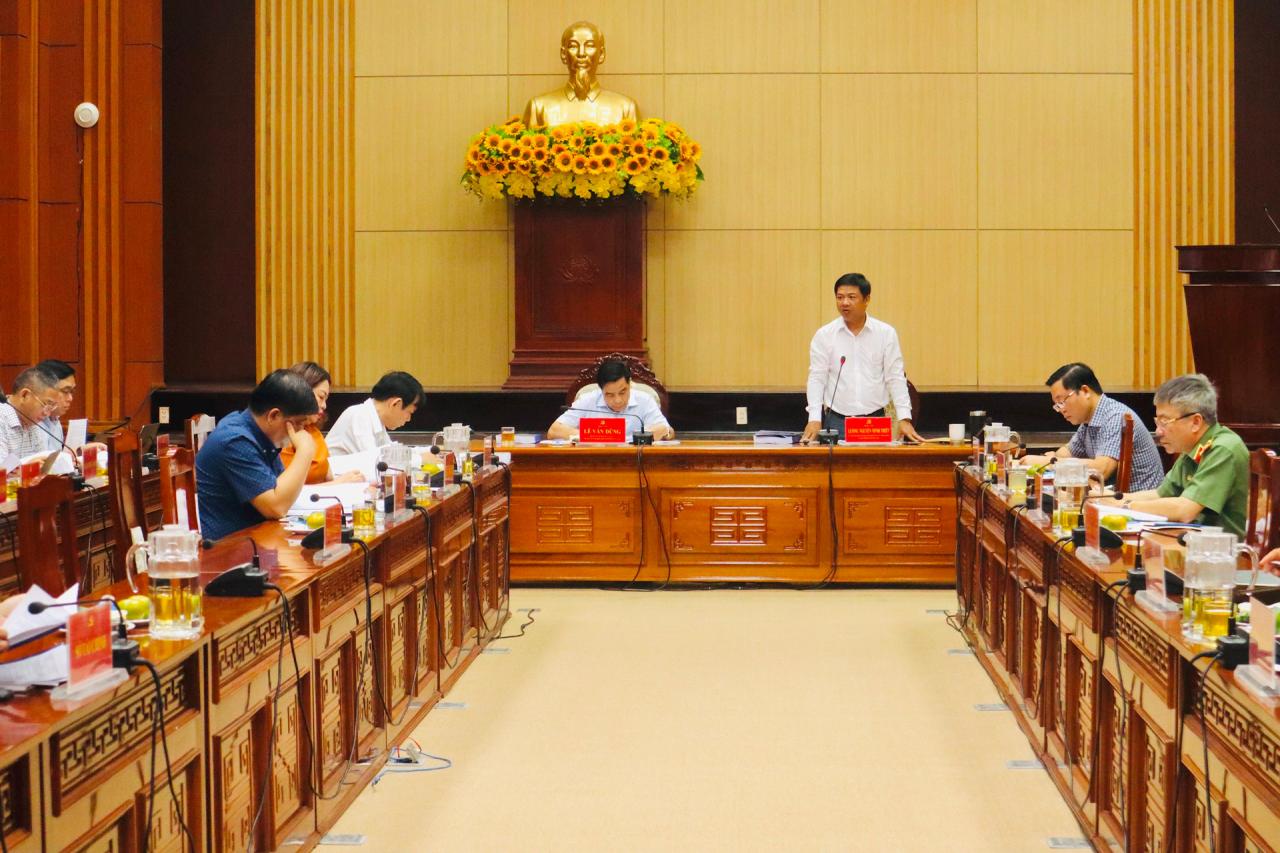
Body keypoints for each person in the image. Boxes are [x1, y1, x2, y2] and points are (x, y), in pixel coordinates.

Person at [1101, 374, 1249, 537]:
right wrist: (1109, 499)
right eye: (1157, 422)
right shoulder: (1191, 448)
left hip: (1221, 553)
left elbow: (1185, 510)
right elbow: (1159, 494)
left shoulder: (1223, 449)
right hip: (1191, 542)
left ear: (1195, 422)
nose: (1158, 431)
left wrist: (1124, 506)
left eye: (1165, 422)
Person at [195, 370, 319, 541]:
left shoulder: (258, 433)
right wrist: (305, 452)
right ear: (274, 415)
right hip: (228, 552)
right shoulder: (235, 441)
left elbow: (281, 490)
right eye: (298, 424)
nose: (299, 433)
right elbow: (277, 507)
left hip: (257, 541)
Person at [802, 273, 921, 444]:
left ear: (866, 299)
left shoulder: (885, 334)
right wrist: (814, 418)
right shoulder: (824, 335)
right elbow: (816, 378)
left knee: (874, 469)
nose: (844, 302)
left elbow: (895, 377)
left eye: (851, 297)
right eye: (840, 297)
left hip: (875, 422)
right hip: (837, 421)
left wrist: (904, 418)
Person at [1020, 363, 1164, 490]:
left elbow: (1102, 469)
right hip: (1114, 502)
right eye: (1057, 405)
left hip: (1138, 508)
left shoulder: (1115, 416)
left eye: (1062, 401)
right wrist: (1051, 458)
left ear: (1085, 391)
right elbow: (1067, 452)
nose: (1061, 409)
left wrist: (1050, 463)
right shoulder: (1089, 421)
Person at [522, 21, 638, 128]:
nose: (581, 53)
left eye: (590, 45)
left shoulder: (626, 108)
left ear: (601, 54)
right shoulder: (539, 107)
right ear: (563, 54)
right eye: (573, 46)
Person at [279, 361, 364, 484]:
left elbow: (327, 474)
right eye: (320, 397)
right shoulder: (280, 434)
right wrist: (337, 484)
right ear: (301, 392)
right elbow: (285, 490)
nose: (324, 405)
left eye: (326, 399)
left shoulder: (313, 431)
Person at [548, 358, 673, 441]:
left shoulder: (645, 400)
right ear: (601, 389)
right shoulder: (587, 400)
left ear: (629, 384)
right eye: (610, 395)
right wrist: (592, 435)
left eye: (622, 392)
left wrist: (662, 433)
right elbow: (554, 431)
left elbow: (668, 431)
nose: (618, 400)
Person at [325, 371, 424, 456]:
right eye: (409, 412)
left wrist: (427, 452)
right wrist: (420, 459)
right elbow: (376, 463)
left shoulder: (375, 420)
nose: (409, 419)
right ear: (395, 404)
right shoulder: (359, 416)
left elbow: (393, 453)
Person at [0, 366, 61, 460]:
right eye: (46, 405)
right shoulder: (2, 418)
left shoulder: (33, 422)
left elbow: (41, 461)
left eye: (51, 407)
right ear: (25, 395)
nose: (47, 414)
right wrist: (27, 465)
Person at [34, 359, 75, 450]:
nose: (70, 399)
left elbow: (55, 459)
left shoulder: (55, 419)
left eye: (72, 392)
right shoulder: (30, 422)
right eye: (65, 391)